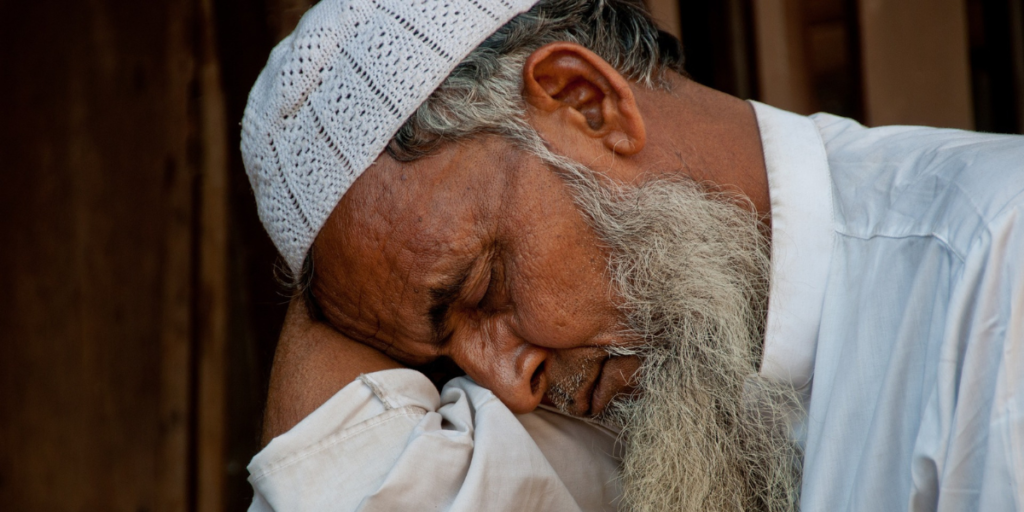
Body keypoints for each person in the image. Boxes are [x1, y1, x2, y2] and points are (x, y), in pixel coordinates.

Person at [240, 0, 1024, 510]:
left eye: (484, 288)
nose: (510, 386)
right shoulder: (650, 387)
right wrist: (325, 215)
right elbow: (348, 485)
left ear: (587, 102)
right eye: (446, 358)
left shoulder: (995, 273)